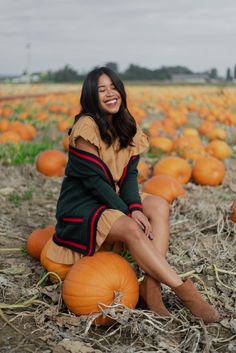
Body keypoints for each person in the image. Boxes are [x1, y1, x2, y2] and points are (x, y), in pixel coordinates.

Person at [46, 67, 219, 323]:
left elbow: (128, 176)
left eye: (113, 87)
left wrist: (136, 207)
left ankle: (150, 285)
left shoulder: (127, 124)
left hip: (110, 198)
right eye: (101, 90)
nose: (110, 93)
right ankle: (184, 290)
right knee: (132, 228)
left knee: (158, 205)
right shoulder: (85, 128)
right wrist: (129, 213)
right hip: (82, 206)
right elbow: (96, 184)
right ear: (92, 97)